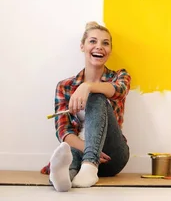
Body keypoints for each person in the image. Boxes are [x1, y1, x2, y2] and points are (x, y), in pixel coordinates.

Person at [43, 21, 132, 192]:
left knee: (97, 96)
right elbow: (63, 130)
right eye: (92, 41)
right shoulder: (65, 86)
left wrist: (87, 86)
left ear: (110, 50)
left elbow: (119, 90)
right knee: (70, 155)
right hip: (80, 149)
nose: (99, 47)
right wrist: (89, 149)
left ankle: (90, 166)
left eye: (105, 43)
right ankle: (62, 179)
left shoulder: (120, 76)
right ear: (82, 46)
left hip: (112, 155)